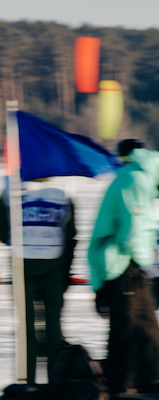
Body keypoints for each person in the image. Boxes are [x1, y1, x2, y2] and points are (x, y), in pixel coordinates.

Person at [88, 142, 159, 395]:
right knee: (128, 329)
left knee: (145, 327)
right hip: (124, 265)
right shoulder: (137, 179)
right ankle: (123, 384)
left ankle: (148, 379)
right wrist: (147, 265)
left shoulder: (134, 174)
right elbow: (134, 229)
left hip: (125, 264)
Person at [0, 178, 76, 385]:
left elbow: (1, 227)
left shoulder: (10, 186)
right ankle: (55, 382)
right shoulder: (64, 190)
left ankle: (27, 381)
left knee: (25, 327)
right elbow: (71, 231)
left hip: (23, 265)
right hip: (54, 268)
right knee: (54, 327)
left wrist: (18, 239)